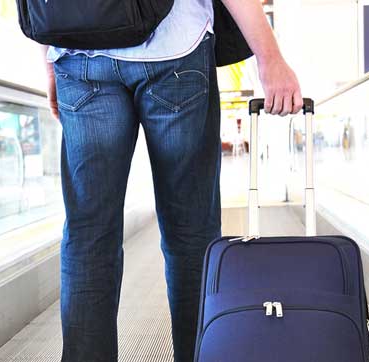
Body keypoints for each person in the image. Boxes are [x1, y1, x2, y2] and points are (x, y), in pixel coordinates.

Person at [41, 1, 302, 361]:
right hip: (175, 50)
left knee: (89, 235)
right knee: (190, 235)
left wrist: (49, 61)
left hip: (79, 55)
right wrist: (269, 57)